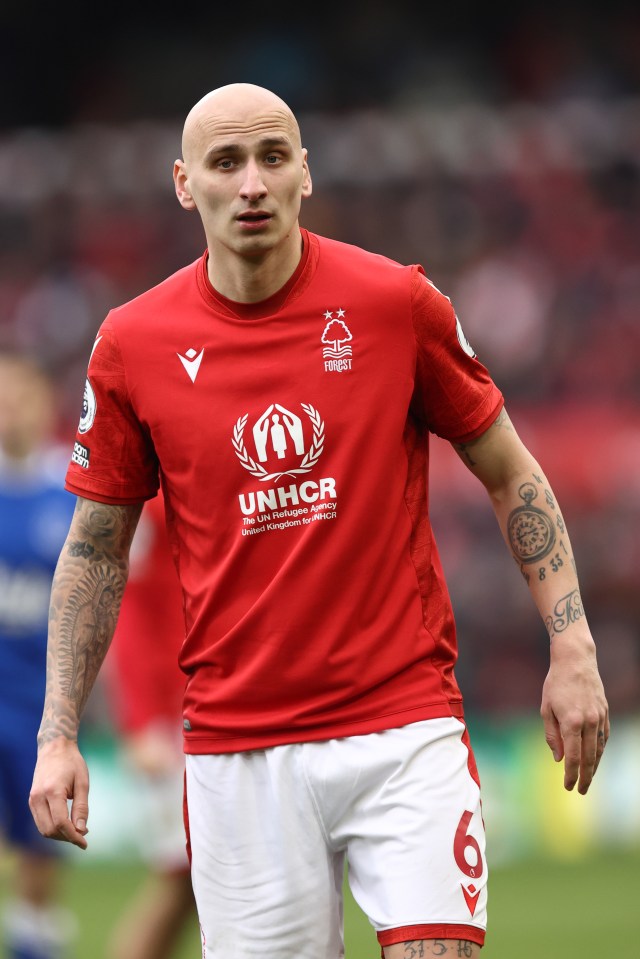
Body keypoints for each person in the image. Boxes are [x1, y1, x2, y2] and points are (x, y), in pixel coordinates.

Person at [29, 83, 609, 958]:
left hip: (403, 722)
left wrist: (574, 646)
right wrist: (60, 731)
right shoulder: (131, 343)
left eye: (272, 157)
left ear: (307, 170)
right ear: (186, 185)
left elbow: (509, 471)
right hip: (236, 750)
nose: (252, 183)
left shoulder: (395, 303)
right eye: (227, 163)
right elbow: (96, 549)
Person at [0, 352, 77, 959]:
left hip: (38, 706)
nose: (8, 411)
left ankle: (34, 941)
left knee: (36, 847)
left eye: (17, 396)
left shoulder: (71, 490)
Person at [101, 490, 196, 959]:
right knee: (186, 878)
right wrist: (140, 721)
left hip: (208, 707)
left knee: (195, 885)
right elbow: (129, 608)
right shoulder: (151, 501)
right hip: (174, 720)